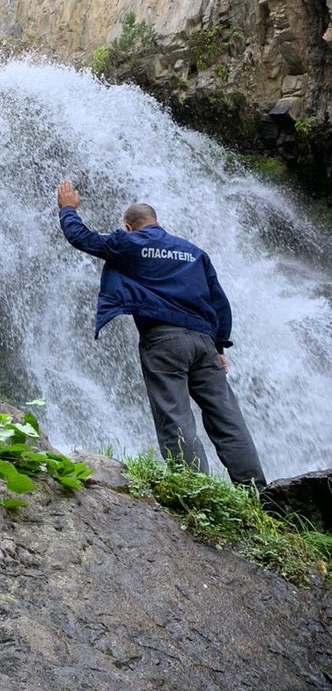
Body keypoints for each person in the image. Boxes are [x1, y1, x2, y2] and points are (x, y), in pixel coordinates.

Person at [56, 179, 266, 489]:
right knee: (227, 418)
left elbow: (81, 238)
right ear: (156, 221)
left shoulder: (129, 243)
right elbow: (219, 302)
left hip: (164, 340)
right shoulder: (194, 252)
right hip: (204, 343)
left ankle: (196, 491)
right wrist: (220, 346)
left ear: (128, 227)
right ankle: (259, 492)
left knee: (175, 417)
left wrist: (68, 209)